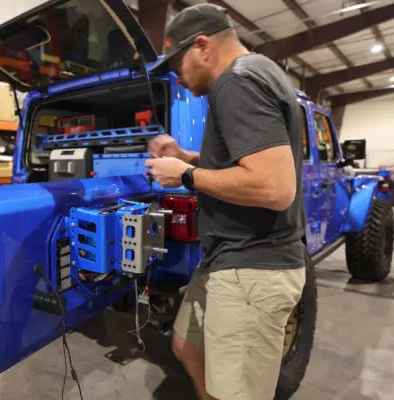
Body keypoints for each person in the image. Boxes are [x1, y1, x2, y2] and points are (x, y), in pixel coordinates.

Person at [144, 4, 307, 400]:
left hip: (253, 269)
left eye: (177, 64)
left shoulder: (238, 82)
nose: (177, 77)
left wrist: (185, 175)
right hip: (227, 261)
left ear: (203, 46)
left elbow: (274, 187)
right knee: (187, 345)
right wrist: (187, 157)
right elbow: (245, 161)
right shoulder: (255, 72)